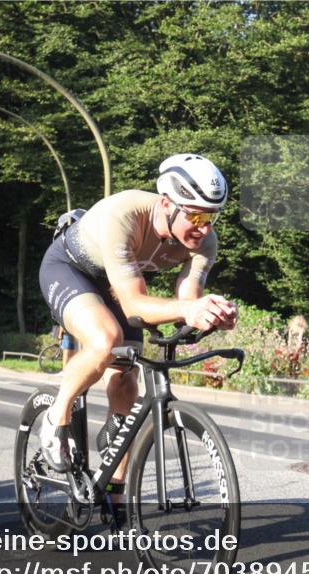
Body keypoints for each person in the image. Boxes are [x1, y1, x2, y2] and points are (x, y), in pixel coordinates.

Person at [37, 154, 238, 485]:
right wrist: (188, 310)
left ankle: (116, 501)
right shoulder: (126, 213)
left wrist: (211, 314)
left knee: (126, 379)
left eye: (212, 217)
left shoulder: (205, 242)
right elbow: (134, 303)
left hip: (118, 287)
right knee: (105, 341)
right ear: (167, 204)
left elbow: (186, 301)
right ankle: (56, 414)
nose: (204, 228)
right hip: (71, 270)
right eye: (197, 215)